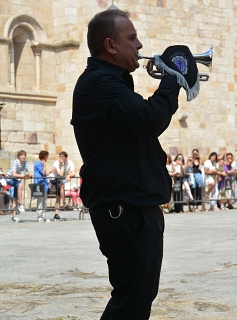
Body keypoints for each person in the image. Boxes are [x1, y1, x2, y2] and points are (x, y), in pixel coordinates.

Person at [71, 9, 199, 319]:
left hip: (132, 210)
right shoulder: (99, 83)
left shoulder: (111, 83)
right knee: (132, 301)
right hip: (124, 213)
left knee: (133, 298)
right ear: (110, 45)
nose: (140, 45)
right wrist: (172, 79)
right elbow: (150, 119)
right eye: (132, 38)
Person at [6, 150, 32, 222]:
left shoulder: (26, 163)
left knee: (15, 198)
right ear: (18, 156)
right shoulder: (16, 162)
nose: (23, 156)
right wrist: (23, 176)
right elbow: (14, 174)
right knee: (20, 186)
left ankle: (13, 216)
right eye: (22, 155)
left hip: (17, 180)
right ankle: (21, 204)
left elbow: (30, 173)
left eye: (24, 155)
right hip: (10, 179)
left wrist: (28, 175)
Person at [51, 151, 75, 219]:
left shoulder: (70, 162)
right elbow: (60, 174)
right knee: (61, 186)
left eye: (62, 156)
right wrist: (62, 165)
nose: (61, 158)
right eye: (60, 156)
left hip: (62, 181)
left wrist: (69, 175)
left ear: (66, 157)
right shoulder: (56, 163)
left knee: (58, 197)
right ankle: (64, 202)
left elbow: (73, 173)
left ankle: (56, 214)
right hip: (54, 179)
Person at [33, 150, 56, 222]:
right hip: (39, 184)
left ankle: (43, 215)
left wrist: (50, 171)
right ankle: (39, 215)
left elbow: (45, 174)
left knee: (44, 201)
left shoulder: (41, 163)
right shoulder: (38, 163)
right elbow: (43, 173)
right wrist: (44, 165)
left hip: (44, 184)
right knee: (40, 200)